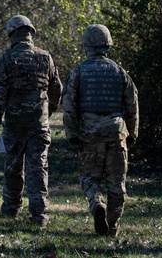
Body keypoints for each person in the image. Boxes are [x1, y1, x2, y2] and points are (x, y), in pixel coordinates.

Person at [0, 15, 63, 227]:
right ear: (31, 33)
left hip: (14, 124)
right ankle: (40, 215)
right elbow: (57, 89)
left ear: (12, 34)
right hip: (39, 124)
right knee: (38, 168)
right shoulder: (46, 58)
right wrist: (49, 112)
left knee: (13, 167)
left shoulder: (6, 58)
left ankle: (10, 209)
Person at [62, 24, 139, 237]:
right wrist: (131, 134)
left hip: (89, 133)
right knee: (116, 182)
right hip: (117, 132)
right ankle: (112, 227)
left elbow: (69, 106)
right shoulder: (120, 72)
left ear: (86, 44)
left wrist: (72, 134)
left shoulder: (78, 72)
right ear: (108, 44)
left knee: (89, 177)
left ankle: (96, 203)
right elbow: (132, 105)